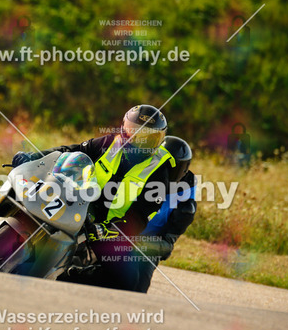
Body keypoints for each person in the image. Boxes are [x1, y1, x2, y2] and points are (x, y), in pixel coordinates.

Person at [12, 104, 176, 290]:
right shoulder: (109, 143)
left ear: (159, 140)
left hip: (105, 229)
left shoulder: (159, 172)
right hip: (77, 202)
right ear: (123, 128)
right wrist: (34, 157)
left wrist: (107, 230)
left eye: (148, 138)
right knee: (29, 194)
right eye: (134, 132)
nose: (138, 141)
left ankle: (68, 278)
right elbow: (71, 151)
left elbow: (139, 217)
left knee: (128, 281)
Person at [134, 136, 197, 293]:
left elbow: (167, 245)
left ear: (183, 169)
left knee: (138, 285)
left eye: (170, 166)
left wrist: (144, 244)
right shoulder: (138, 169)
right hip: (117, 230)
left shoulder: (187, 185)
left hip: (147, 243)